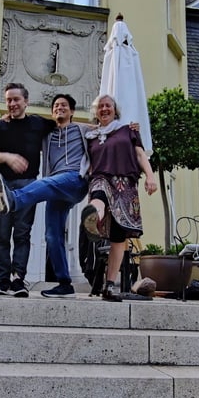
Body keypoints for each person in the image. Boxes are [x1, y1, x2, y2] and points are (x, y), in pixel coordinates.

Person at [0, 93, 89, 297]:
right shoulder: (48, 133)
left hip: (75, 180)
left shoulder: (83, 129)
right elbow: (26, 123)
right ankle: (64, 284)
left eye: (64, 105)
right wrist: (6, 119)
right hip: (55, 189)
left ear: (72, 111)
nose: (59, 108)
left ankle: (13, 200)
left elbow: (106, 129)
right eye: (56, 106)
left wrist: (130, 128)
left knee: (45, 183)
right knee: (52, 236)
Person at [81, 94, 157, 302]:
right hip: (100, 176)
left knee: (118, 237)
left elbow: (140, 155)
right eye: (100, 106)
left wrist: (150, 177)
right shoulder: (91, 135)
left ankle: (109, 285)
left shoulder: (128, 130)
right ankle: (93, 219)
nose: (104, 109)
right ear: (96, 112)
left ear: (115, 110)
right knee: (99, 195)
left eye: (108, 105)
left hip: (125, 183)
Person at [0, 83, 54, 297]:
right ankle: (3, 280)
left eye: (16, 99)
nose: (12, 103)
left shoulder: (38, 123)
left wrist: (99, 126)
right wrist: (8, 157)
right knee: (2, 234)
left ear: (26, 101)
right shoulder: (0, 126)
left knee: (22, 234)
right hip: (3, 186)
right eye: (9, 100)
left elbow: (64, 123)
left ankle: (18, 280)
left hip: (28, 186)